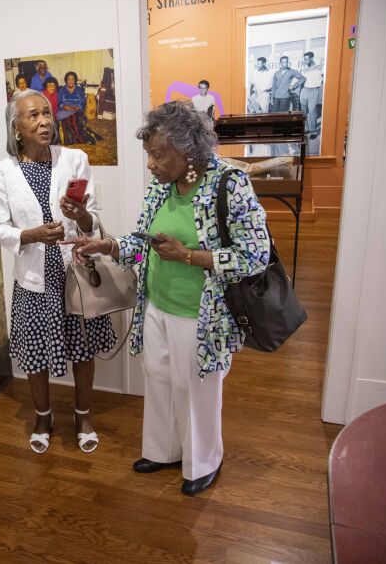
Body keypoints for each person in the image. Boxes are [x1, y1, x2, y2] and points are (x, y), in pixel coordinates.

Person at [64, 101, 270, 494]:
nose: (151, 164)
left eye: (158, 154)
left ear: (188, 148)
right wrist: (105, 245)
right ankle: (163, 451)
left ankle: (203, 461)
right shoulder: (163, 188)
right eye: (149, 155)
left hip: (201, 313)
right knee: (159, 381)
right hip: (156, 306)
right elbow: (141, 244)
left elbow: (254, 255)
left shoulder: (228, 183)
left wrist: (190, 256)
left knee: (195, 390)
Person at [0, 89, 116, 454]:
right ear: (17, 127)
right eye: (33, 116)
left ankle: (82, 415)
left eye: (47, 113)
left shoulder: (75, 159)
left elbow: (92, 217)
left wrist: (81, 216)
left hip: (74, 271)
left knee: (82, 348)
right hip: (34, 277)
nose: (44, 122)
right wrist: (31, 234)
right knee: (36, 350)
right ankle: (43, 416)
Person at [57, 71, 92, 145]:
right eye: (69, 79)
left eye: (72, 79)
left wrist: (77, 107)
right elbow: (59, 102)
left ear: (75, 80)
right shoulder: (62, 90)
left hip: (76, 110)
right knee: (65, 121)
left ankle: (78, 139)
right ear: (66, 80)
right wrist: (64, 106)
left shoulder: (79, 90)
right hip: (65, 110)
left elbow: (82, 102)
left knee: (72, 120)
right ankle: (71, 139)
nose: (70, 81)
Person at [299, 51, 324, 139]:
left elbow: (323, 79)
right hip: (304, 90)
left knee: (312, 110)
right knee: (303, 111)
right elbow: (302, 82)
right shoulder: (303, 70)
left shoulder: (319, 68)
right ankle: (306, 129)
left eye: (306, 59)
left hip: (314, 90)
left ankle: (313, 131)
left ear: (312, 58)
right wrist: (301, 92)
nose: (305, 61)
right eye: (304, 59)